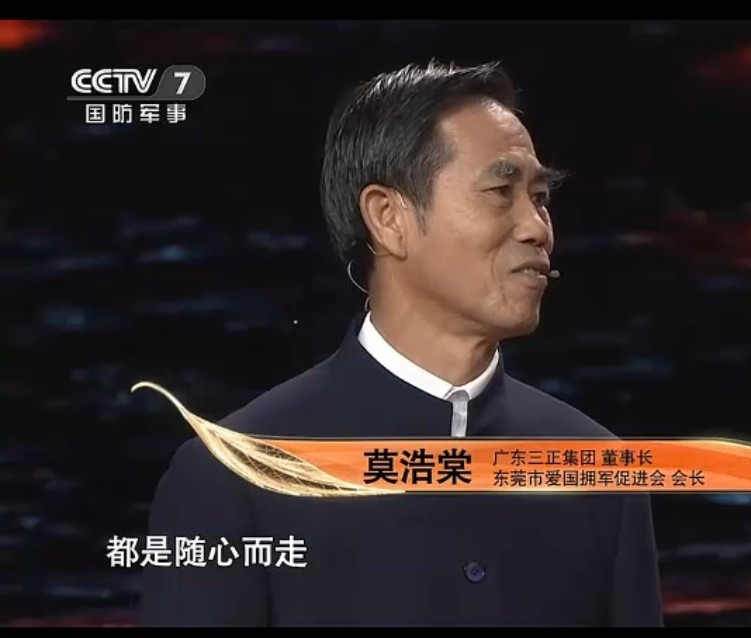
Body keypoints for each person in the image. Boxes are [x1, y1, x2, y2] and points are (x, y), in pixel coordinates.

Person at [138, 60, 664, 627]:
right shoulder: (231, 479)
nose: (538, 227)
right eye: (500, 190)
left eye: (539, 197)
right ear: (388, 218)